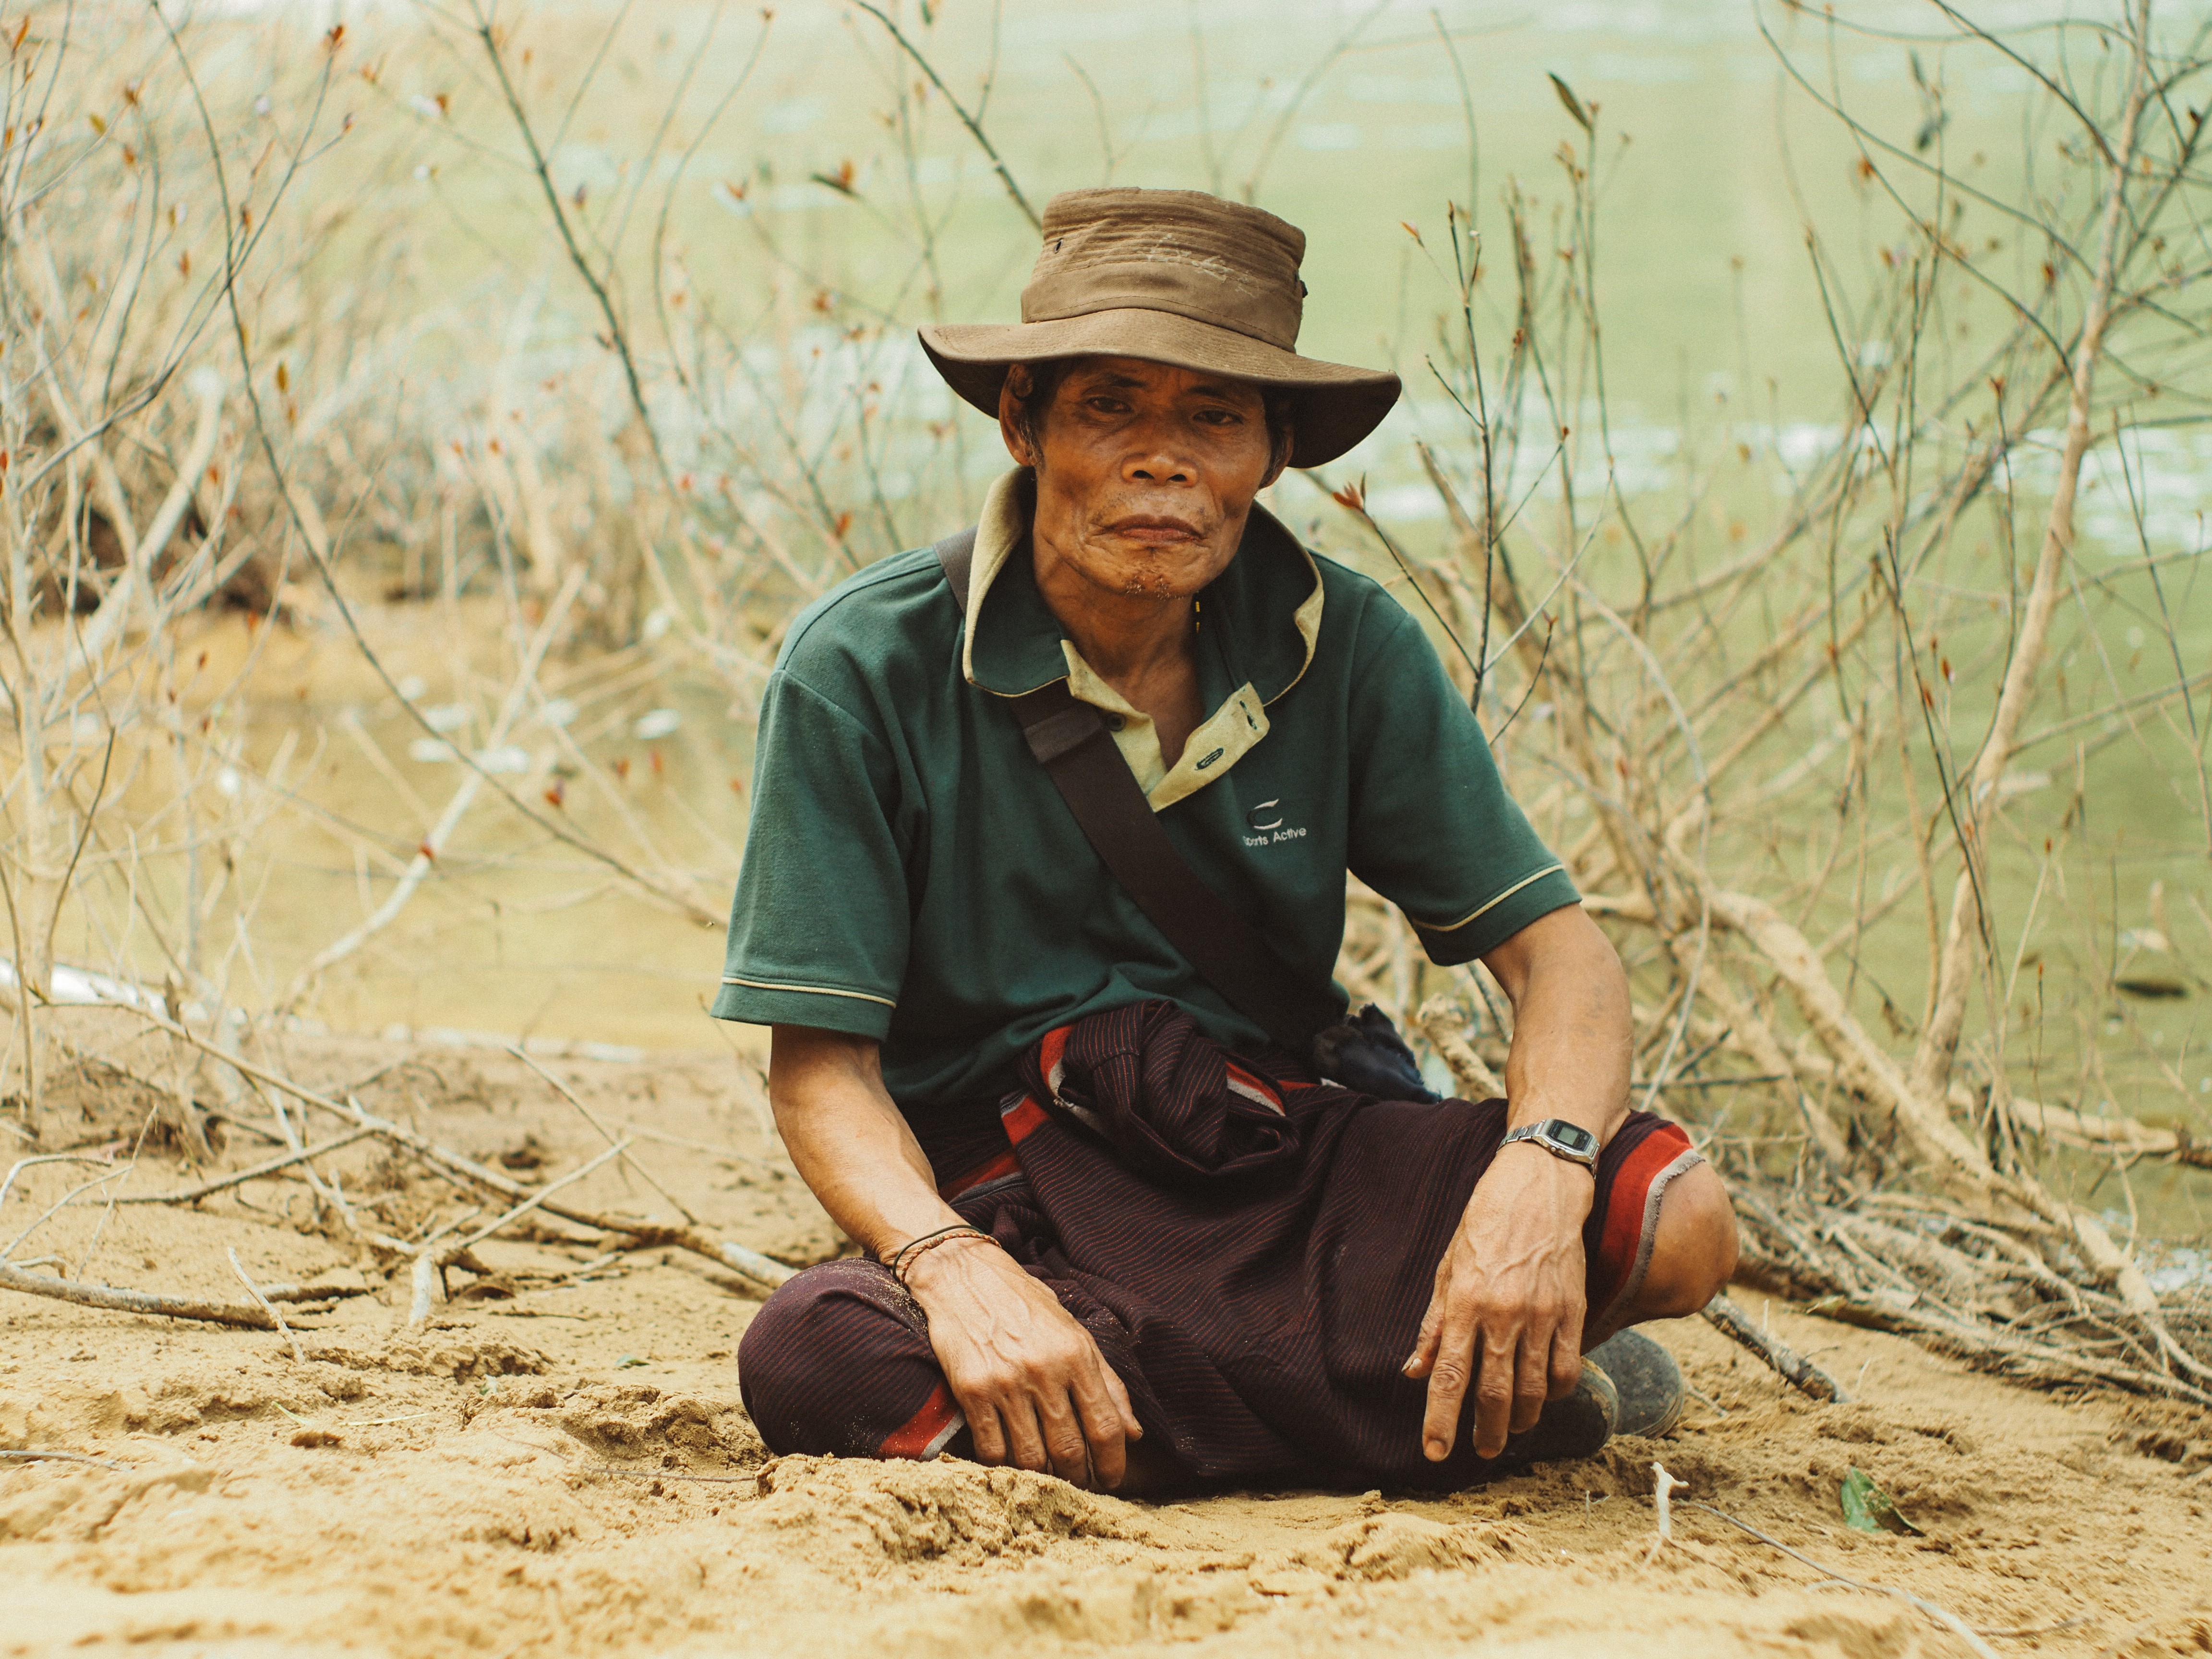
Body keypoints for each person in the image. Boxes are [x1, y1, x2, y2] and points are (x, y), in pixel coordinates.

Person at [715, 187, 1738, 1494]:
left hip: (1271, 1139)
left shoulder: (1347, 640)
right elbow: (820, 1073)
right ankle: (1462, 1409)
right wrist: (952, 1269)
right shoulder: (860, 666)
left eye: (1213, 415)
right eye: (1111, 407)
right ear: (1024, 423)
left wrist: (1539, 1184)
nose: (1162, 459)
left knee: (1675, 1221)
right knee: (814, 1361)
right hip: (1016, 1190)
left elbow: (1562, 958)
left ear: (1277, 448)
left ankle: (1249, 1415)